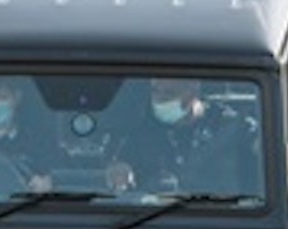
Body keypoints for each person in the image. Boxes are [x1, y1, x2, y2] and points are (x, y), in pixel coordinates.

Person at [109, 78, 259, 195]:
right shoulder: (142, 129)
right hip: (152, 221)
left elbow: (261, 155)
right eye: (155, 91)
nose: (160, 99)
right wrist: (120, 171)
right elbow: (120, 163)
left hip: (222, 218)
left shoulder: (230, 126)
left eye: (169, 93)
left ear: (192, 91)